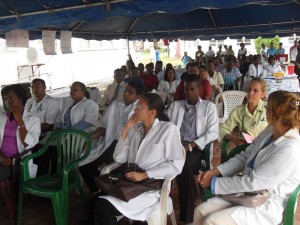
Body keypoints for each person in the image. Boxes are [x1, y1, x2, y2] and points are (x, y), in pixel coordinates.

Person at [194, 90, 300, 225]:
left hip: (266, 203)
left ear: (271, 113)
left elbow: (252, 182)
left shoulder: (289, 149)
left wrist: (214, 183)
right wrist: (215, 172)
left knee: (212, 221)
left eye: (267, 107)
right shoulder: (271, 131)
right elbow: (245, 156)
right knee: (200, 211)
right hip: (248, 194)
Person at [94, 93, 185, 225]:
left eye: (139, 107)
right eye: (135, 106)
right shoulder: (135, 129)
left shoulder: (168, 130)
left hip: (150, 188)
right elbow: (119, 157)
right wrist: (125, 130)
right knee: (96, 203)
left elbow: (176, 165)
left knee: (103, 206)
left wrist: (145, 174)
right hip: (131, 184)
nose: (135, 110)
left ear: (152, 112)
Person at [167, 75, 219, 225]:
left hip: (196, 147)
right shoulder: (175, 106)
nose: (188, 93)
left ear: (200, 89)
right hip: (175, 145)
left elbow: (213, 132)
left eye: (192, 89)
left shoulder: (208, 107)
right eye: (186, 89)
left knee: (185, 166)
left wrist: (191, 145)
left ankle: (187, 217)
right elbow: (167, 127)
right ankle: (156, 200)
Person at [79, 81, 144, 193]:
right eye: (126, 90)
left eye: (130, 92)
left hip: (124, 147)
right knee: (82, 163)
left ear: (138, 96)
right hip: (108, 142)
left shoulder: (139, 110)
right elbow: (104, 127)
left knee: (102, 169)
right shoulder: (115, 104)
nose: (125, 93)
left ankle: (104, 194)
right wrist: (89, 138)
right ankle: (96, 191)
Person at [0, 84, 40, 180]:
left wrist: (20, 121)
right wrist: (1, 157)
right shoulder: (2, 118)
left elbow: (28, 145)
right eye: (5, 99)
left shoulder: (33, 119)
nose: (8, 102)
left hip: (17, 161)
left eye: (12, 98)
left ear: (21, 99)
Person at [24, 78, 60, 176]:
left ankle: (40, 178)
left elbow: (49, 124)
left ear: (45, 87)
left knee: (38, 154)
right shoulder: (29, 101)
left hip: (45, 135)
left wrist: (31, 131)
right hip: (30, 134)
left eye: (38, 86)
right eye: (33, 87)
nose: (35, 89)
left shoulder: (52, 102)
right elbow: (24, 119)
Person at [220, 78, 268, 146]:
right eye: (249, 89)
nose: (251, 93)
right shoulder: (239, 111)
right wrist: (235, 139)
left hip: (264, 148)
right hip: (246, 149)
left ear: (263, 94)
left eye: (255, 91)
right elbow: (223, 129)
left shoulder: (268, 109)